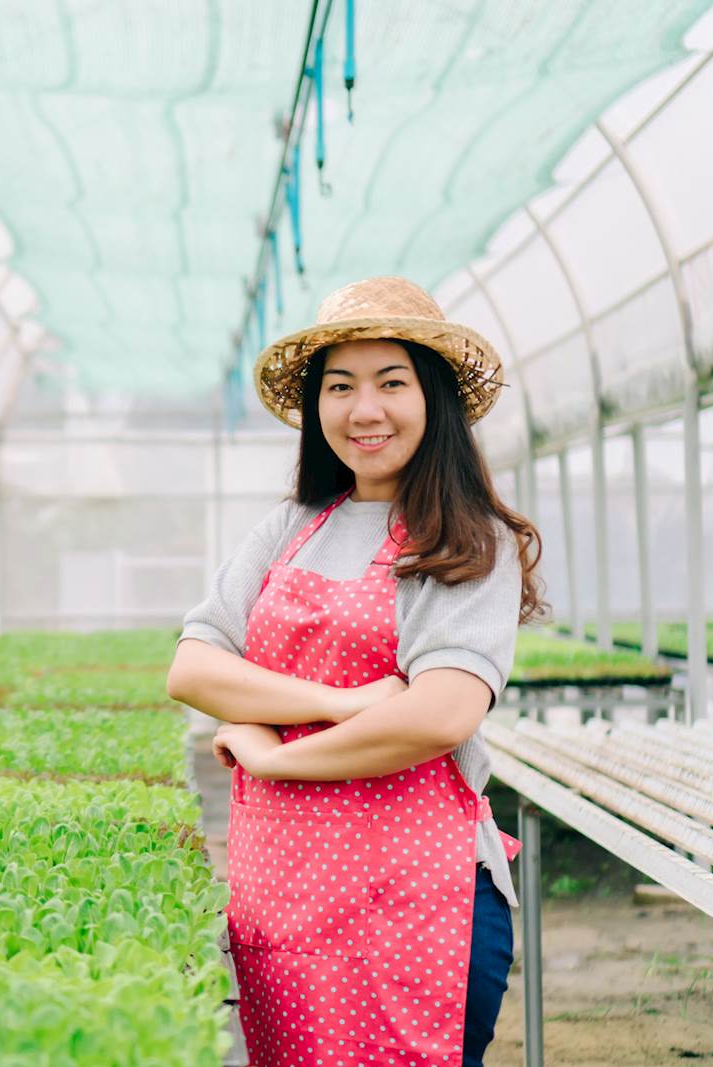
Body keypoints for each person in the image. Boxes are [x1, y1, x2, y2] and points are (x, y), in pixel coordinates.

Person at [167, 276, 547, 1067]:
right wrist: (343, 700)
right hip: (282, 900)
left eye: (390, 382)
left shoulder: (468, 538)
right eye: (340, 386)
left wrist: (275, 754)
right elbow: (195, 666)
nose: (363, 410)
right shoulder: (293, 525)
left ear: (433, 397)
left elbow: (438, 715)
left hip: (414, 906)